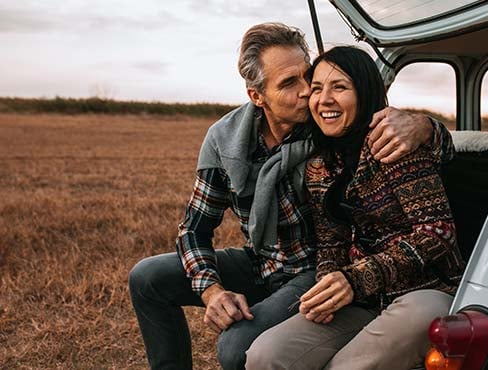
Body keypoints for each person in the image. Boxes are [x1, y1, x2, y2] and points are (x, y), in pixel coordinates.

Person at [128, 24, 454, 370]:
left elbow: (391, 132)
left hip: (309, 267)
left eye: (307, 78)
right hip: (263, 259)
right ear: (257, 96)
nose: (308, 94)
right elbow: (194, 229)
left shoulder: (328, 124)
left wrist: (426, 127)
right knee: (147, 277)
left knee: (235, 347)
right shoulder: (225, 140)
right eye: (290, 83)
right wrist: (212, 291)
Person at [245, 46, 465, 370]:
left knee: (348, 365)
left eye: (340, 87)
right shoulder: (319, 166)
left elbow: (438, 233)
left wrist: (356, 279)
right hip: (361, 301)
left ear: (365, 92)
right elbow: (331, 242)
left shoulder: (394, 143)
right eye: (317, 89)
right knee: (265, 355)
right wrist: (329, 287)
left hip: (425, 293)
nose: (324, 99)